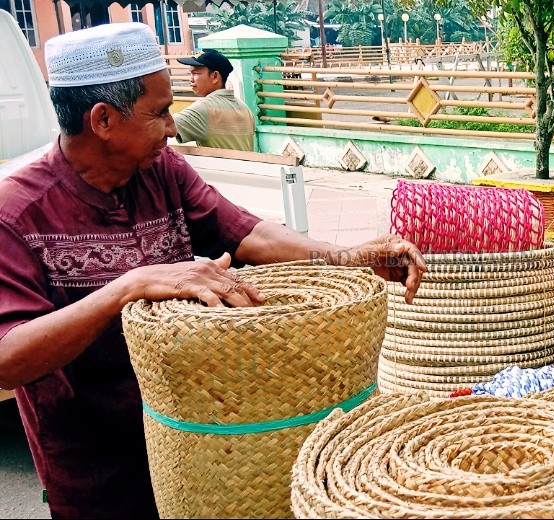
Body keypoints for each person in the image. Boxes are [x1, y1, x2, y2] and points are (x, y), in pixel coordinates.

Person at [0, 23, 426, 519]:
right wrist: (131, 286)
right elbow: (8, 359)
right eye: (159, 112)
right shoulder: (16, 215)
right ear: (103, 119)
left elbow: (246, 233)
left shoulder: (163, 171)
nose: (171, 127)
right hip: (98, 469)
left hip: (197, 447)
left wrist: (347, 257)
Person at [172, 48, 255, 151]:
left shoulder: (204, 108)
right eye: (191, 73)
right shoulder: (245, 108)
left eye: (196, 73)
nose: (191, 79)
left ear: (215, 76)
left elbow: (163, 125)